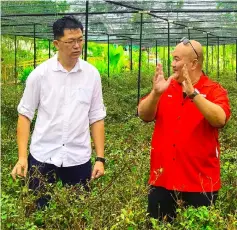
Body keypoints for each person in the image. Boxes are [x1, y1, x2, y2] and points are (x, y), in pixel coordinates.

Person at [11, 16, 106, 208]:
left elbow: (96, 117)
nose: (77, 46)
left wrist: (100, 159)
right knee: (39, 213)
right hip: (43, 156)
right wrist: (22, 158)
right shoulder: (40, 75)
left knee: (79, 212)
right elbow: (25, 115)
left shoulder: (92, 75)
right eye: (71, 41)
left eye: (80, 40)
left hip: (78, 157)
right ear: (56, 43)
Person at [138, 37, 231, 221]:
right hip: (162, 181)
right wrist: (156, 93)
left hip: (200, 184)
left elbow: (219, 119)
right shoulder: (166, 87)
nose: (172, 64)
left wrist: (193, 95)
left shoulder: (214, 90)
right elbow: (143, 114)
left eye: (177, 59)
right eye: (172, 58)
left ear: (194, 63)